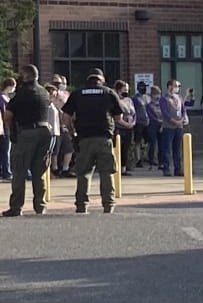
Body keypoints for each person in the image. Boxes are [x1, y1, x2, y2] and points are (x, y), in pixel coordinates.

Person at [61, 67, 123, 214]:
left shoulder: (78, 93)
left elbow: (66, 116)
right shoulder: (108, 93)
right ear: (101, 80)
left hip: (84, 138)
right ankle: (108, 205)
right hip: (103, 138)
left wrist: (71, 132)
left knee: (83, 173)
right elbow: (118, 117)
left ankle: (81, 205)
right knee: (106, 172)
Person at [1, 64, 52, 217]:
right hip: (44, 132)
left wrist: (12, 132)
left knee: (19, 171)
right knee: (39, 171)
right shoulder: (44, 92)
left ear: (26, 76)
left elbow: (8, 116)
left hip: (26, 133)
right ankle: (40, 205)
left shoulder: (21, 94)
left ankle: (16, 207)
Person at [159, 79, 187, 177]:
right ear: (169, 86)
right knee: (167, 149)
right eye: (176, 86)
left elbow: (183, 110)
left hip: (179, 127)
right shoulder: (164, 99)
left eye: (178, 86)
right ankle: (166, 168)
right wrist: (174, 121)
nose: (177, 88)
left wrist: (182, 119)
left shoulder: (179, 98)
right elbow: (165, 113)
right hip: (168, 127)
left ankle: (178, 168)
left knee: (177, 149)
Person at [0, 77, 16, 180]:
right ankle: (6, 171)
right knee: (5, 149)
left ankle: (0, 170)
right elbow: (3, 112)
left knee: (4, 150)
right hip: (4, 126)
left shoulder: (5, 97)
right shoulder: (0, 98)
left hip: (7, 126)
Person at [113, 79, 135, 176]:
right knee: (118, 148)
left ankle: (124, 169)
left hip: (129, 128)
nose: (126, 91)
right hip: (119, 128)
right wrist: (125, 124)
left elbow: (133, 113)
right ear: (118, 90)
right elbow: (116, 116)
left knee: (126, 149)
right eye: (124, 89)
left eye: (127, 89)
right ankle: (115, 168)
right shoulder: (115, 99)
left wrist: (132, 122)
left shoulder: (129, 100)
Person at [131, 81, 150, 168]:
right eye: (143, 87)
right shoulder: (135, 98)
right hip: (138, 122)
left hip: (146, 122)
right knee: (137, 141)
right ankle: (138, 159)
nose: (144, 89)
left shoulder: (147, 97)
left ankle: (145, 156)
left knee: (147, 141)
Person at [144, 85, 162, 169]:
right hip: (152, 126)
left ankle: (161, 162)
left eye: (158, 94)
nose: (157, 96)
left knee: (162, 144)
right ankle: (151, 161)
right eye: (155, 94)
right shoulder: (149, 105)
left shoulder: (161, 105)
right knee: (153, 144)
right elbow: (150, 116)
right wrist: (158, 120)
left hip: (161, 126)